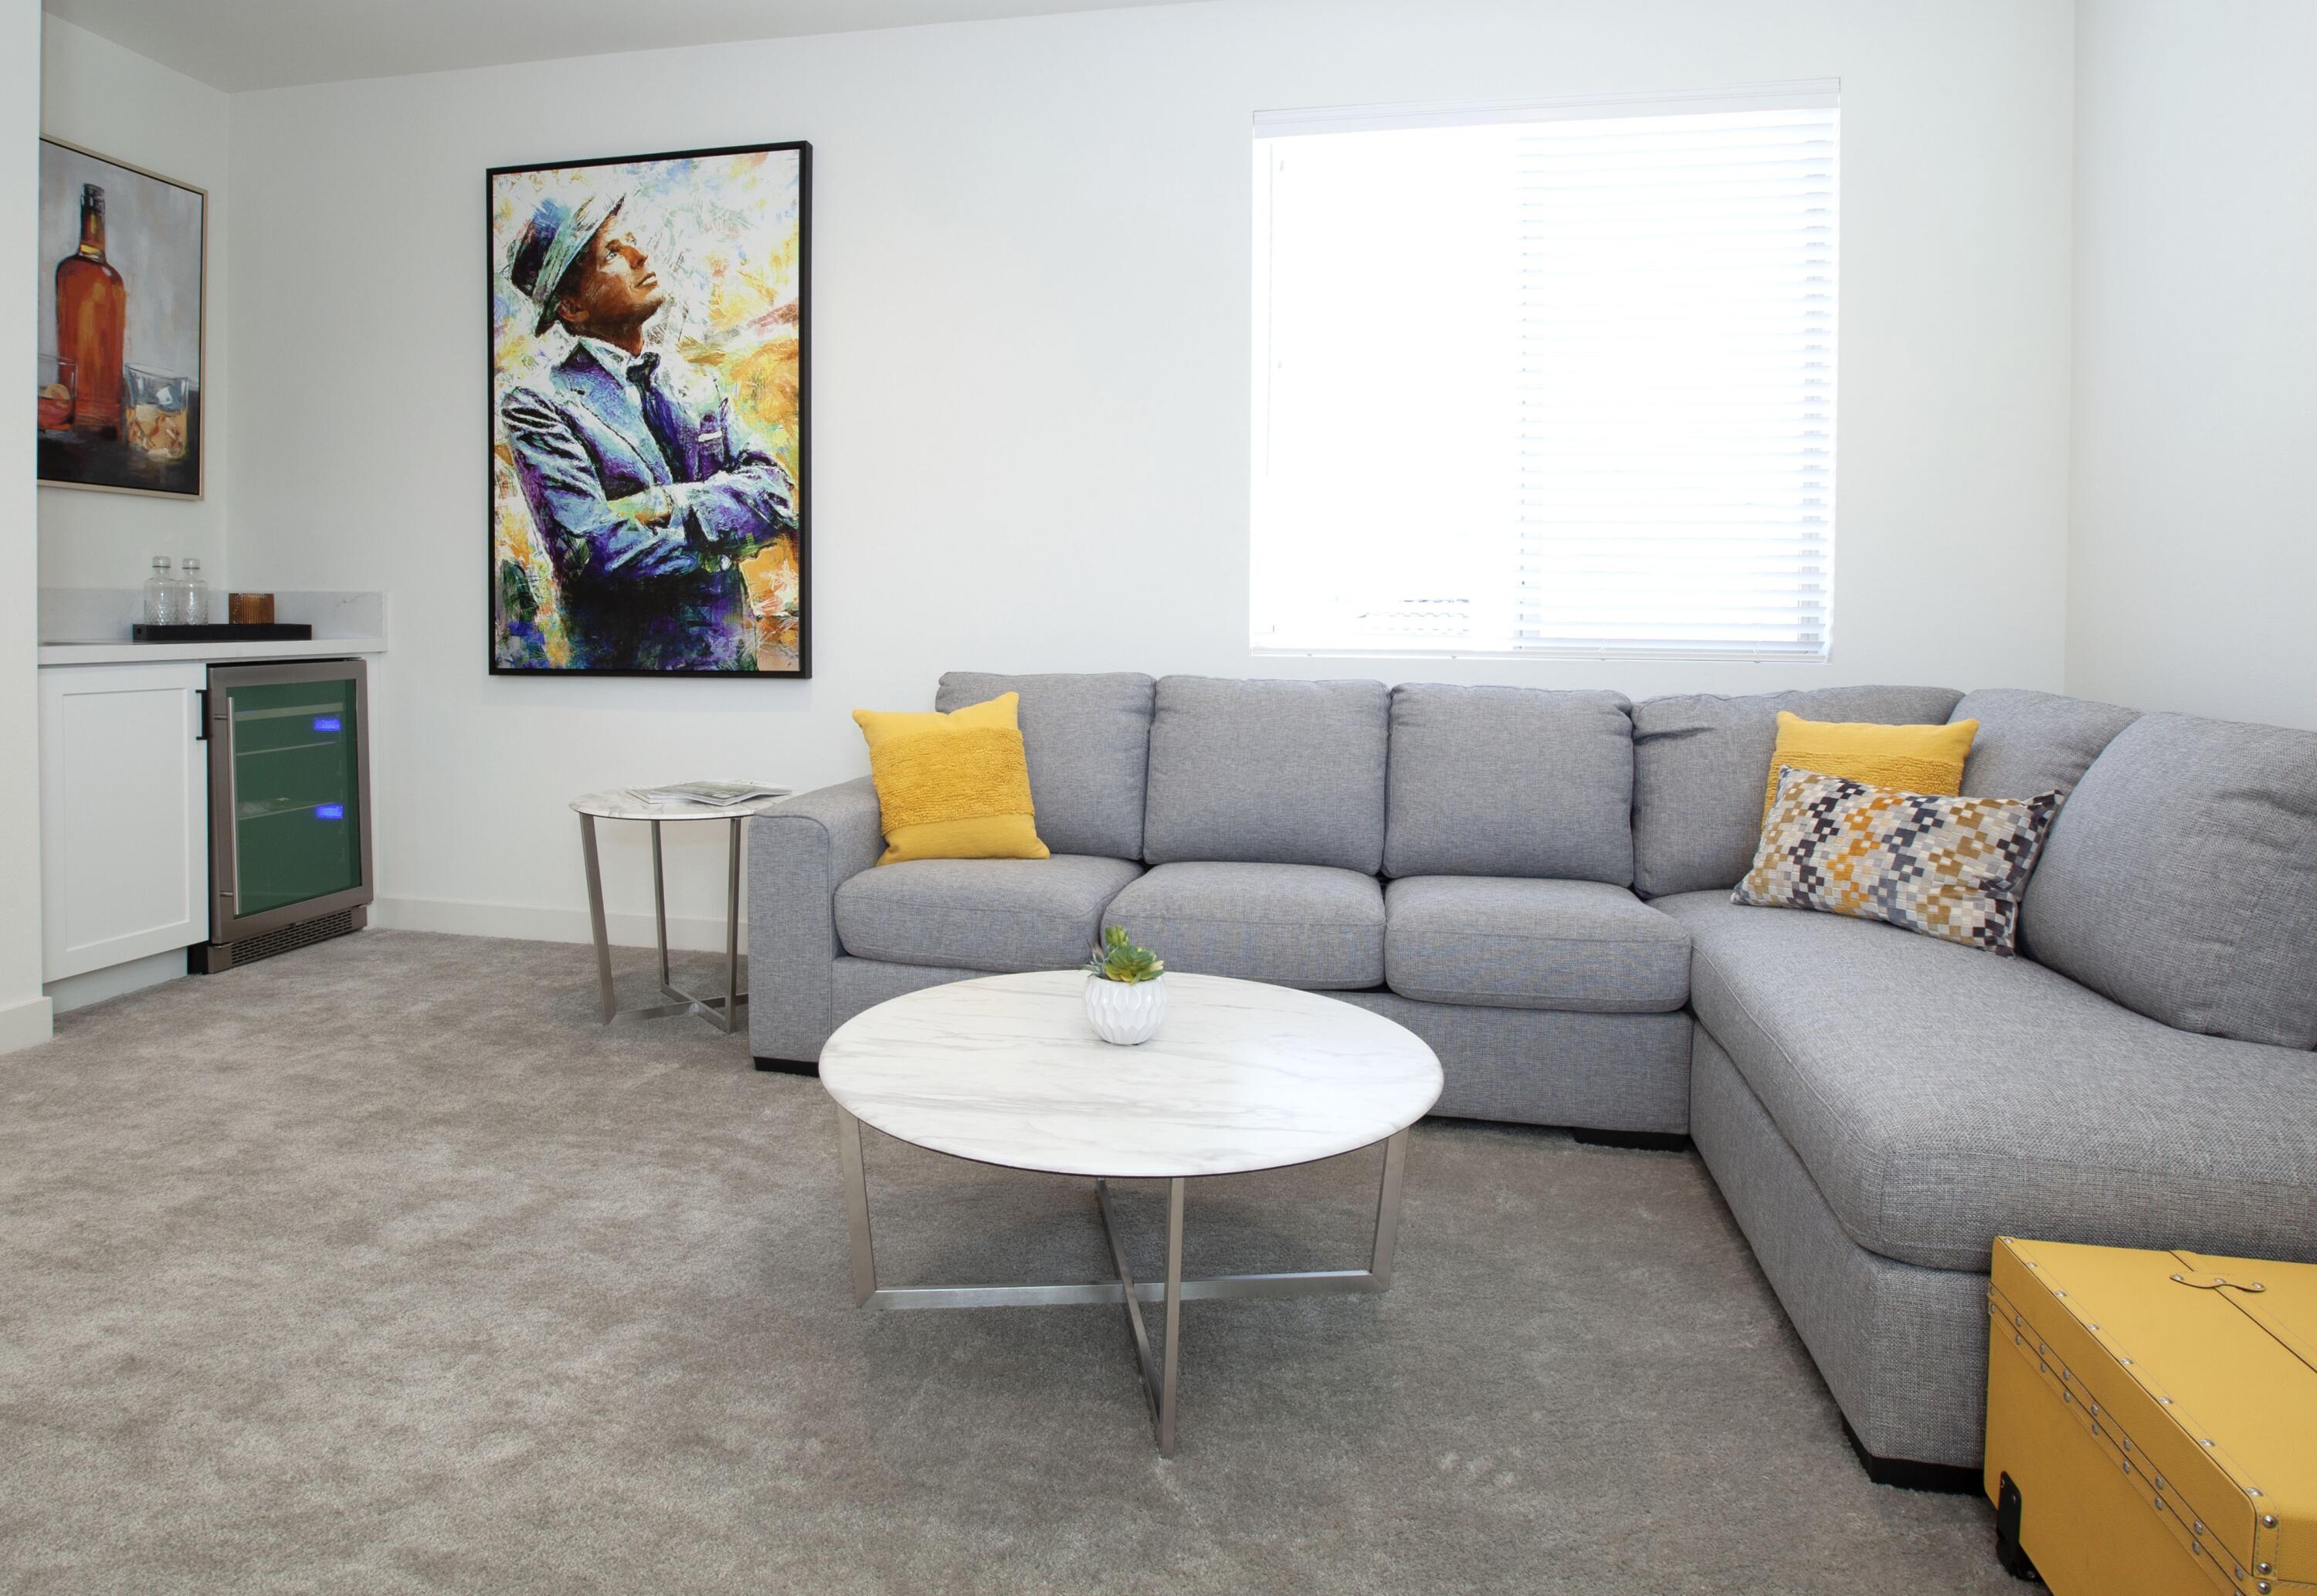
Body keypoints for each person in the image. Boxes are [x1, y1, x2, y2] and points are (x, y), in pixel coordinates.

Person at [498, 192, 797, 672]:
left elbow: (774, 492)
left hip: (735, 670)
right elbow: (593, 551)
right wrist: (722, 543)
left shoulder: (696, 384)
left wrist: (666, 505)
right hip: (630, 676)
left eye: (632, 241)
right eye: (612, 253)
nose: (640, 255)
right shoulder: (540, 406)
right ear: (572, 307)